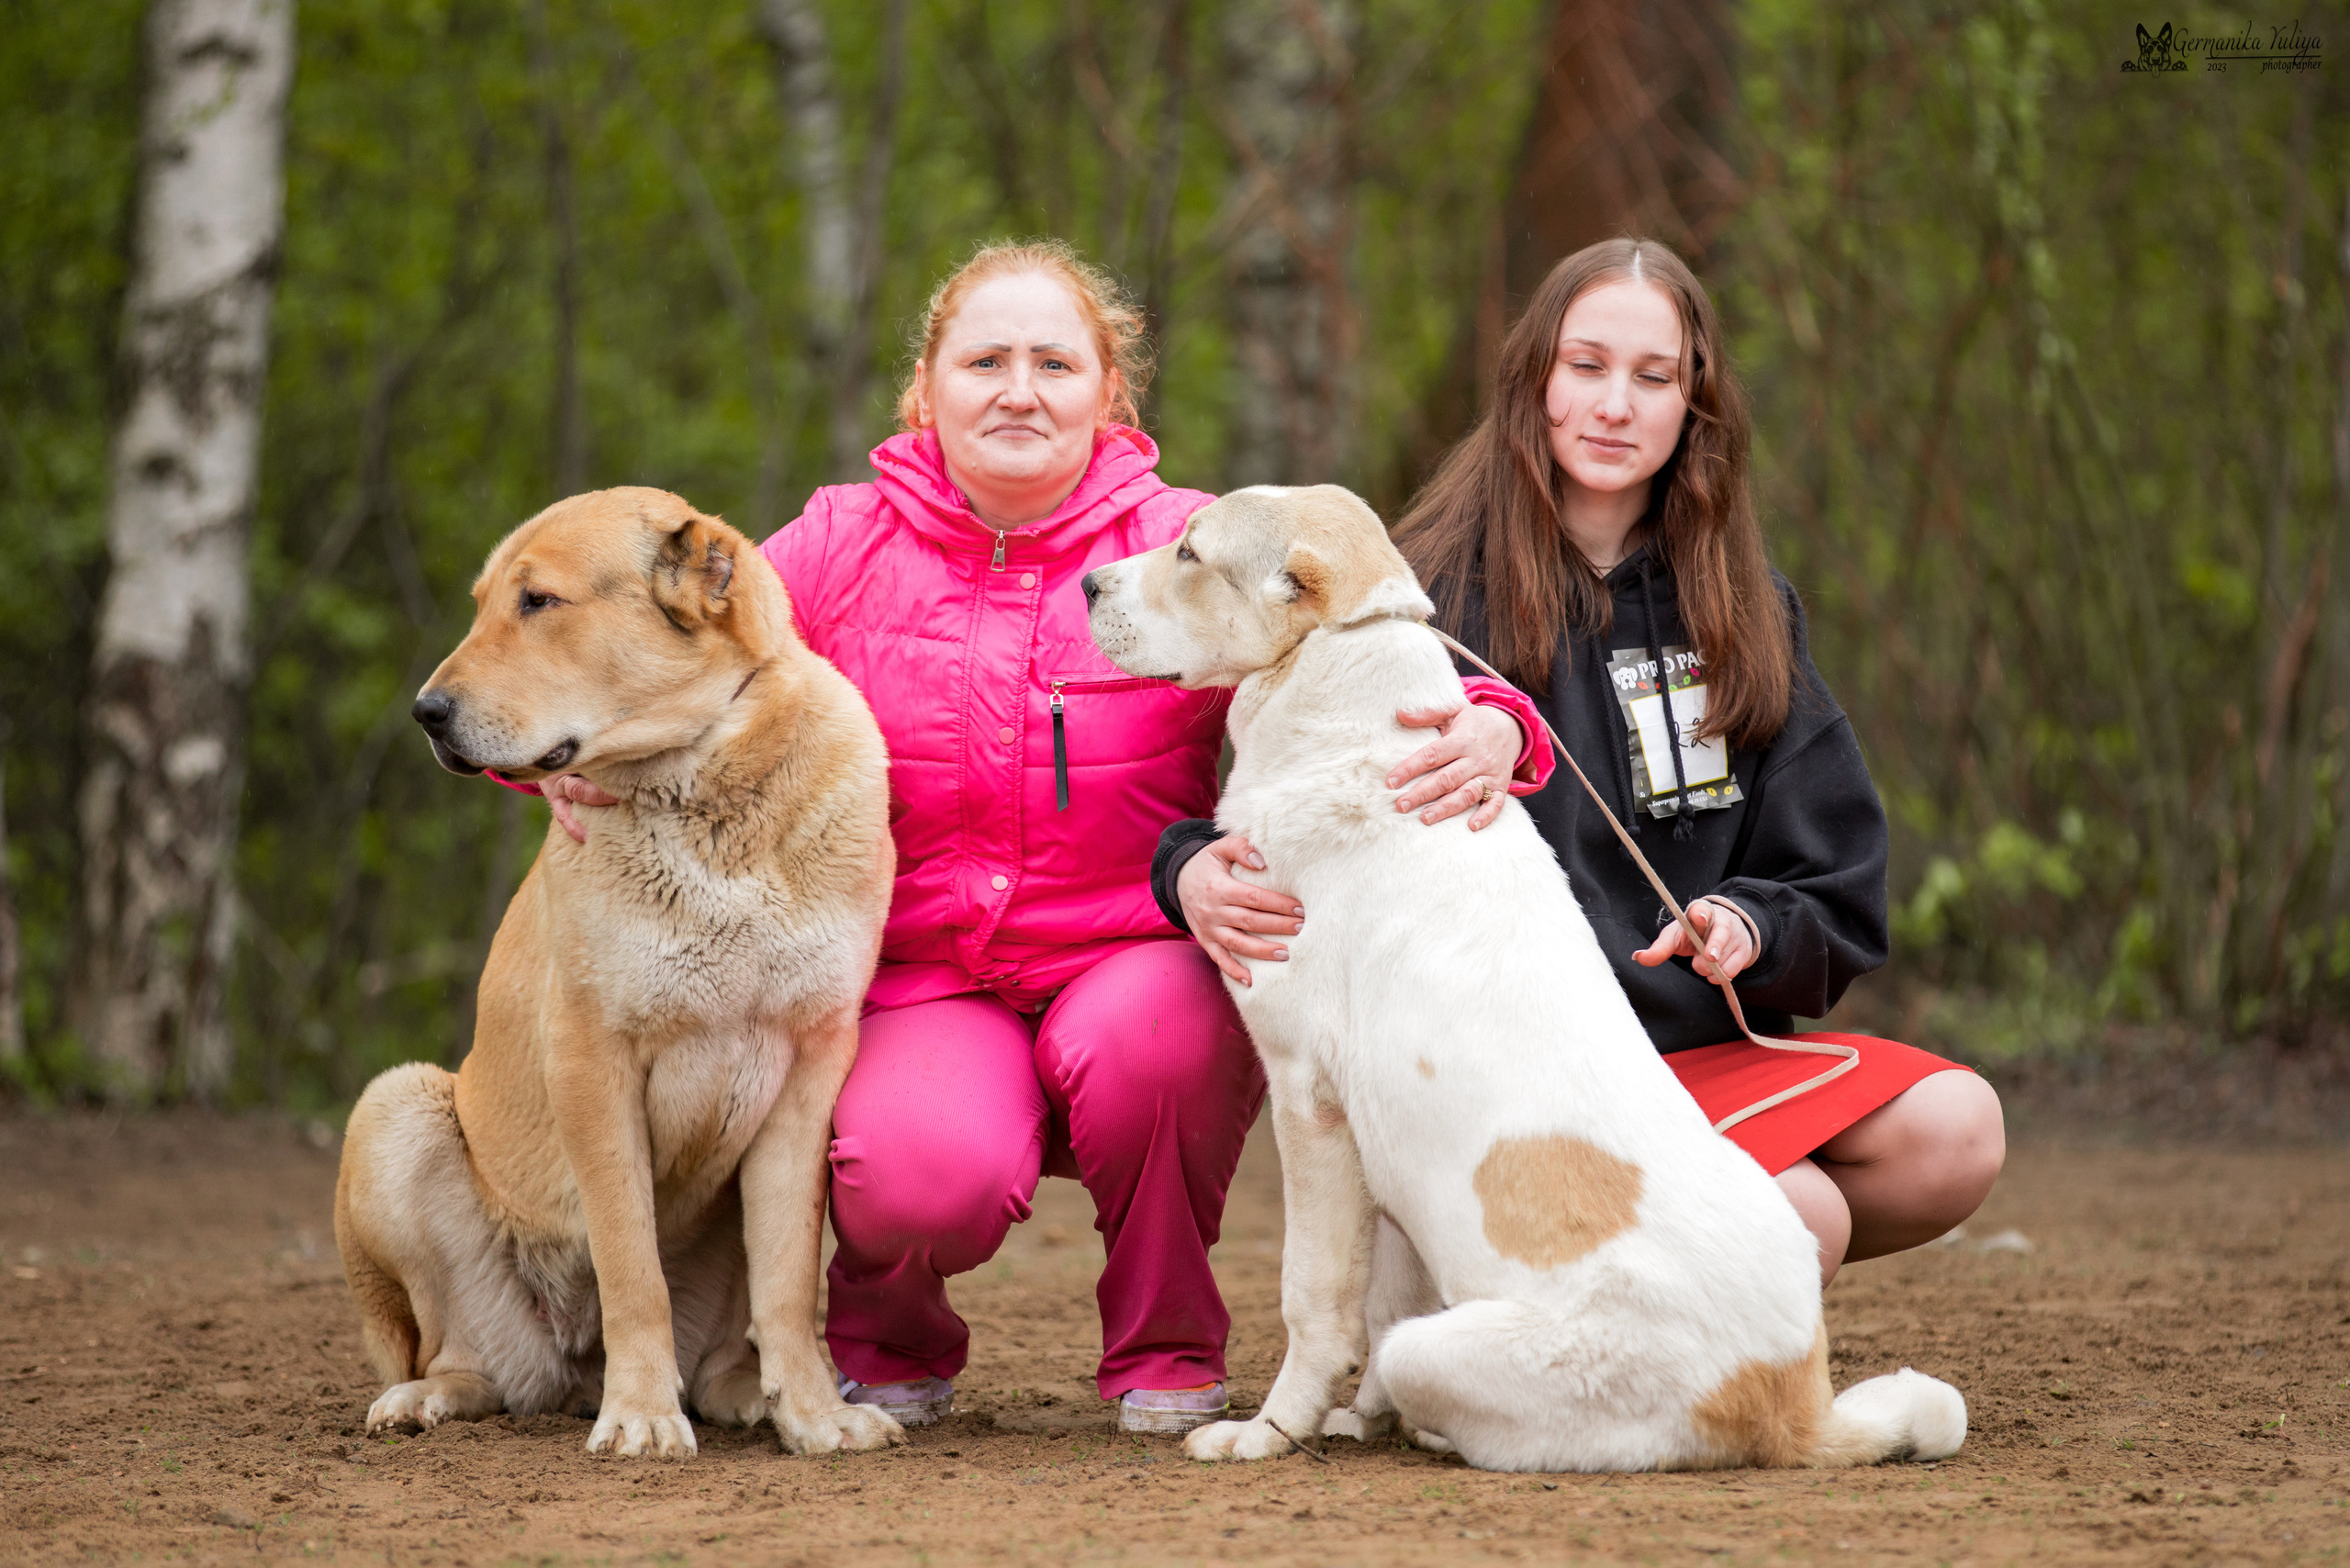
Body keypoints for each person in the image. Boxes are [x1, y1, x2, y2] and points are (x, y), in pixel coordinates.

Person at [524, 240, 1547, 1433]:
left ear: (1109, 394)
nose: (1020, 389)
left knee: (1159, 1043)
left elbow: (1372, 643)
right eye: (986, 362)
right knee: (918, 1167)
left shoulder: (1195, 541)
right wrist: (547, 755)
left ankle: (1167, 1347)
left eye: (1055, 364)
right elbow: (657, 641)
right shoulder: (836, 546)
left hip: (1132, 952)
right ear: (926, 389)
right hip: (924, 977)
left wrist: (1498, 725)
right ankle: (885, 1344)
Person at [1153, 239, 2004, 1286]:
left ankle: (1622, 1278)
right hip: (1514, 1091)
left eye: (1653, 377)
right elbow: (1268, 790)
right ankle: (1528, 1281)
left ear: (1695, 404)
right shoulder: (1417, 599)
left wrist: (1751, 924)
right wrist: (1186, 865)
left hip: (1690, 1064)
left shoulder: (1745, 611)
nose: (1614, 405)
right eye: (1586, 366)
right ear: (1535, 381)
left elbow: (1834, 874)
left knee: (1958, 1129)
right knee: (1797, 1216)